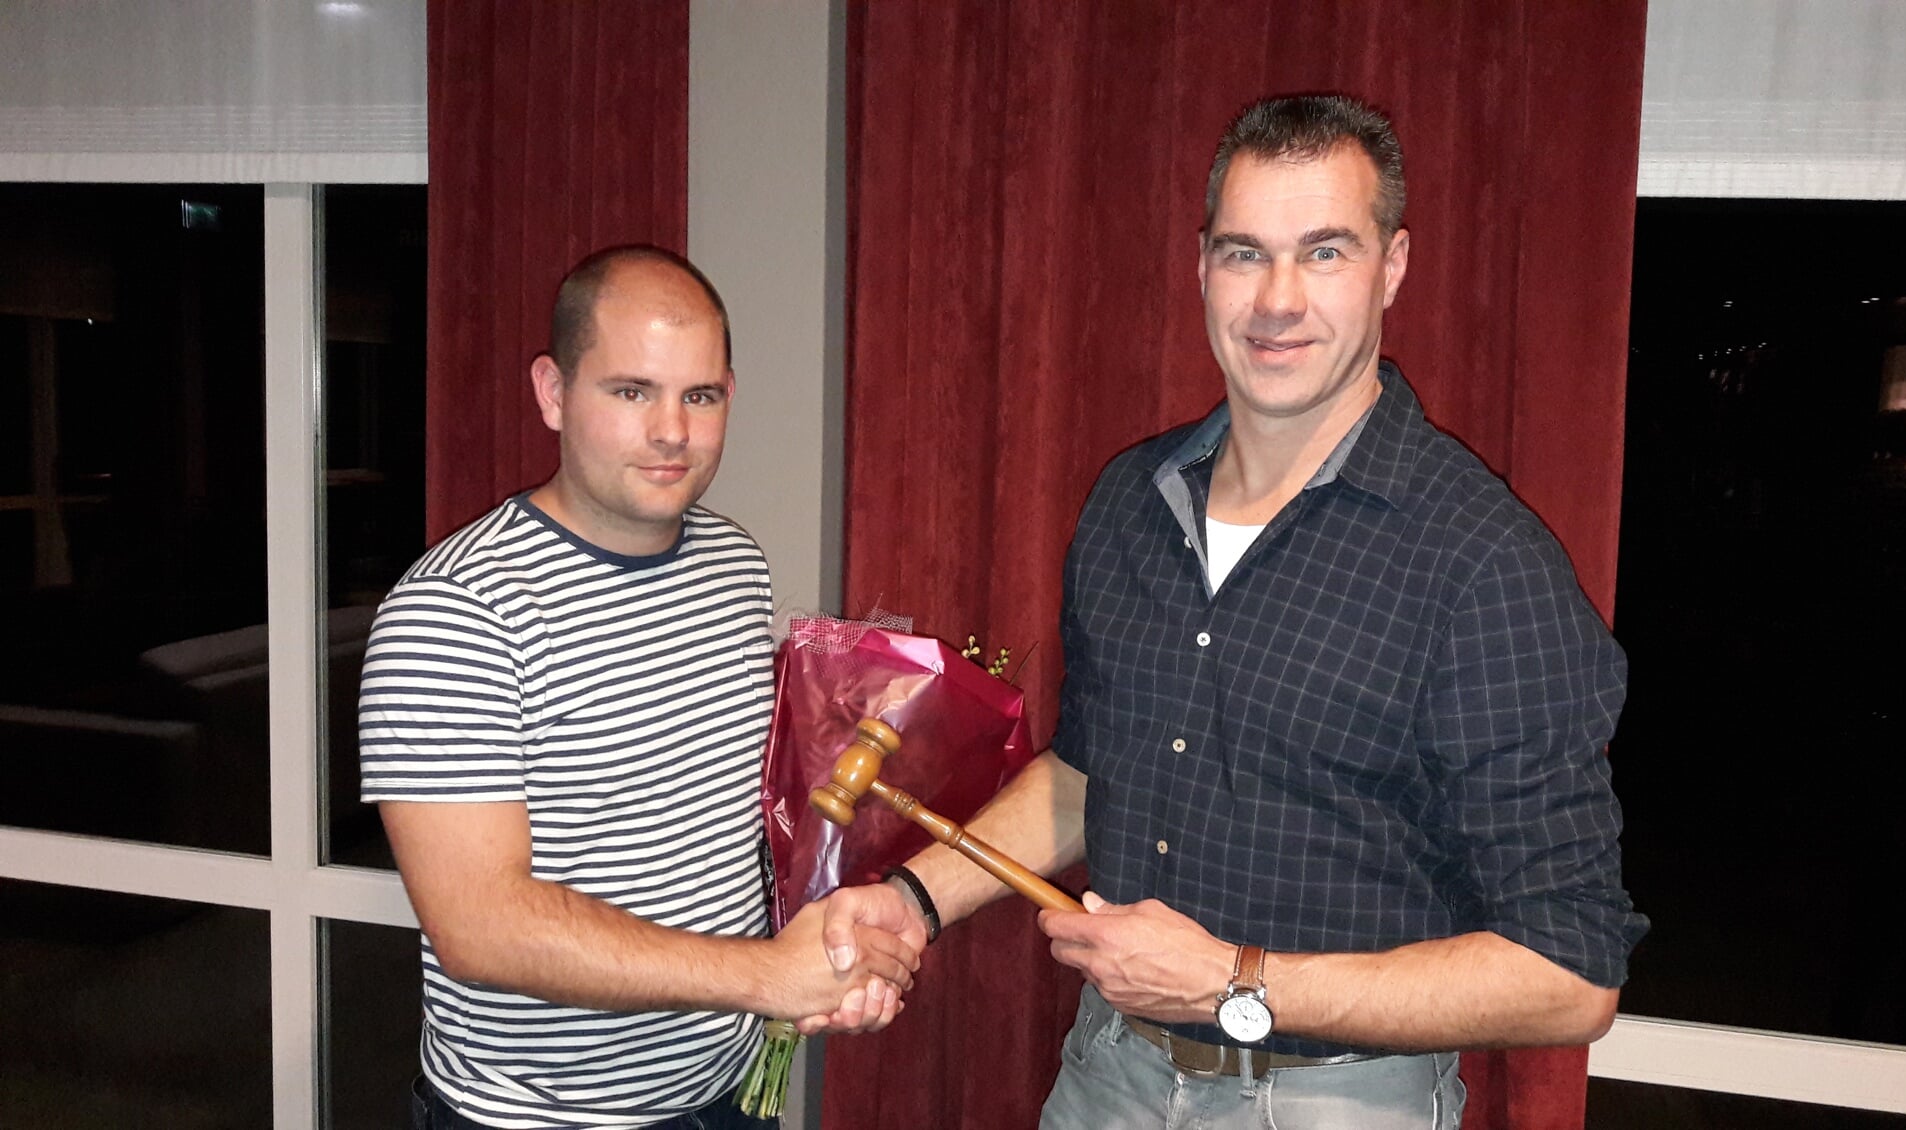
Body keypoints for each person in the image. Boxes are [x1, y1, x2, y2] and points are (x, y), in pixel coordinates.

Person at [822, 94, 1648, 1128]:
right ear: (1200, 265)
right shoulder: (1128, 501)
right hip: (1105, 1071)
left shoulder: (1483, 565)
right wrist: (912, 898)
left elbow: (1569, 974)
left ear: (1392, 266)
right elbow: (1088, 777)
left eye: (1324, 252)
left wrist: (1232, 979)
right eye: (1244, 252)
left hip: (1337, 1101)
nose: (1277, 299)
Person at [360, 245, 916, 1130]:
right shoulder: (456, 611)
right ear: (552, 392)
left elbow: (728, 827)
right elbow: (480, 925)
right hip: (534, 1118)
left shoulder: (734, 564)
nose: (672, 432)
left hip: (729, 1093)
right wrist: (767, 974)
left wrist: (830, 960)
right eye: (631, 391)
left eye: (699, 396)